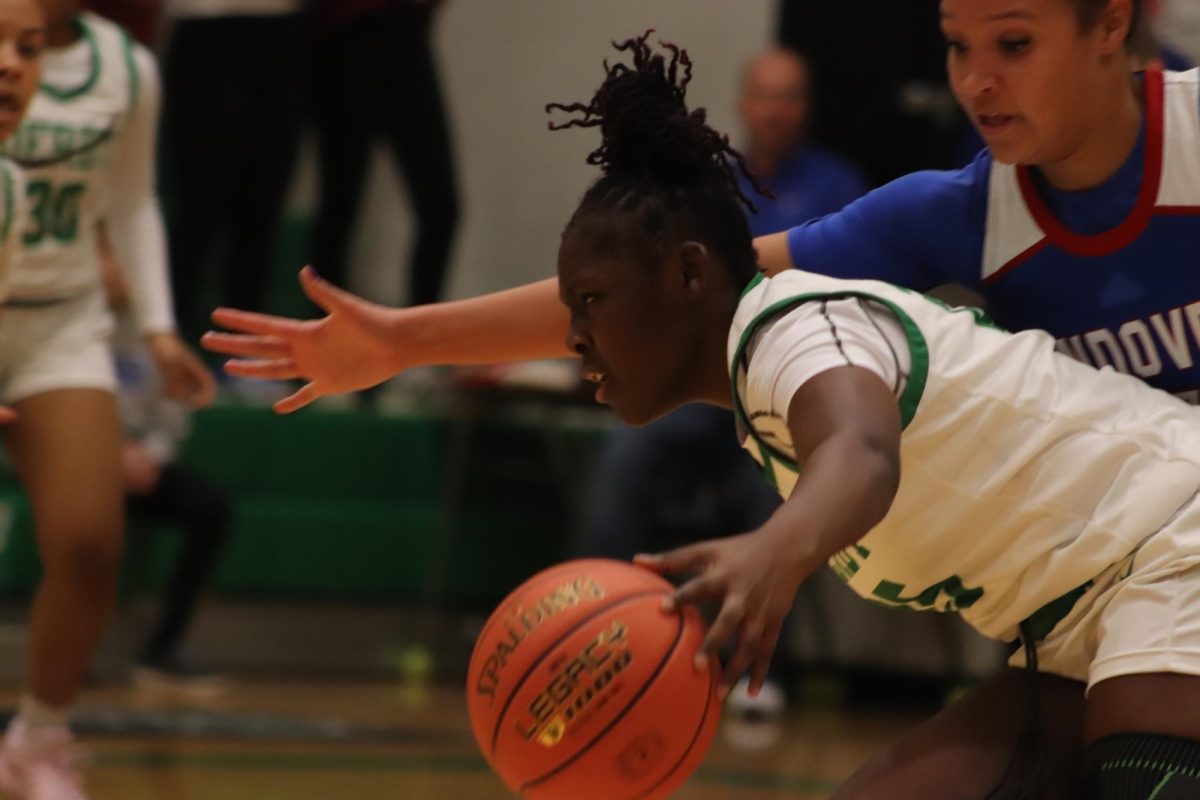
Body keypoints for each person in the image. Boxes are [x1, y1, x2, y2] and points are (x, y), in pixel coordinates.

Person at [579, 46, 867, 715]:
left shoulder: (838, 184)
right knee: (622, 463)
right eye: (765, 95)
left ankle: (755, 674)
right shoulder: (710, 184)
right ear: (744, 103)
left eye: (790, 96)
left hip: (784, 386)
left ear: (806, 109)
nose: (776, 109)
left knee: (781, 498)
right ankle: (605, 639)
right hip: (697, 379)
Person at [0, 2, 214, 797]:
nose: (15, 65)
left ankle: (37, 740)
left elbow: (131, 202)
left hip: (58, 324)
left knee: (89, 539)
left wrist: (157, 328)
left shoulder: (127, 68)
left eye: (25, 50)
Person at [101, 244, 231, 695]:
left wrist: (147, 457)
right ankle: (75, 648)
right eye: (104, 256)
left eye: (117, 257)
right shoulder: (66, 324)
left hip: (140, 469)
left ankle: (164, 645)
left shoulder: (154, 331)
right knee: (79, 511)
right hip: (76, 460)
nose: (111, 271)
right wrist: (107, 453)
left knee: (212, 508)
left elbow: (175, 416)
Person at [161, 0, 307, 347]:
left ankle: (246, 346)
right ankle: (167, 341)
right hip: (207, 24)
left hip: (283, 26)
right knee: (200, 199)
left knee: (264, 199)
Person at [310, 0, 459, 308]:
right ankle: (325, 323)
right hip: (349, 37)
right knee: (341, 200)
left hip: (407, 32)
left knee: (441, 205)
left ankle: (425, 331)